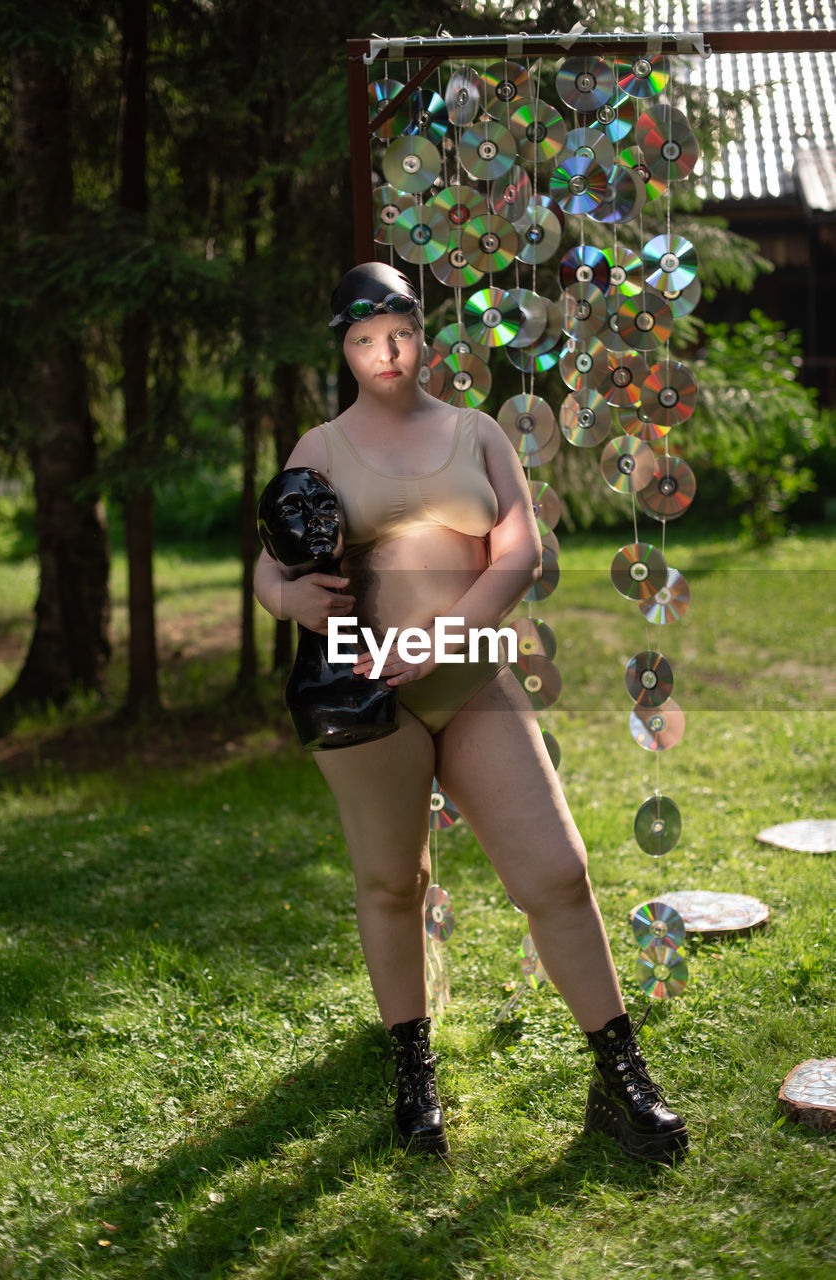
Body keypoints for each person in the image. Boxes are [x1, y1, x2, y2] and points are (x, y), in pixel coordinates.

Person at [254, 261, 688, 1165]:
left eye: (399, 333)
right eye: (364, 338)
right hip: (362, 692)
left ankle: (620, 1079)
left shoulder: (477, 431)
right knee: (391, 883)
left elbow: (520, 550)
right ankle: (414, 1073)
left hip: (470, 674)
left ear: (422, 333)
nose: (385, 351)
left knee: (557, 871)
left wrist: (443, 635)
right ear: (345, 346)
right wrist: (286, 603)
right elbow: (273, 560)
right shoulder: (322, 447)